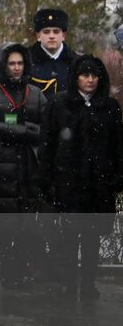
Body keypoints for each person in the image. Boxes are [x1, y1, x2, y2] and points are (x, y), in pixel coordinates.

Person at [40, 55, 122, 300]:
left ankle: (88, 283)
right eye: (85, 75)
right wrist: (47, 179)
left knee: (92, 237)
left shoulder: (109, 106)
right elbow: (48, 144)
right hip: (68, 182)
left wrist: (117, 177)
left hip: (98, 184)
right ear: (76, 78)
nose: (90, 80)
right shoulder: (59, 104)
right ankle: (68, 283)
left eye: (94, 75)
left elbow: (117, 146)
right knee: (68, 237)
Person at [0, 42, 48, 291]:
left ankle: (24, 272)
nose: (16, 68)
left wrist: (29, 133)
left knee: (27, 226)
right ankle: (9, 274)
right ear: (3, 65)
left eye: (20, 63)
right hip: (1, 167)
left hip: (29, 166)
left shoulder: (36, 93)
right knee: (4, 227)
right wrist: (22, 131)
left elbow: (46, 126)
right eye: (11, 63)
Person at [28, 8, 76, 99]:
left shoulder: (76, 62)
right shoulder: (26, 60)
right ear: (38, 36)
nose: (51, 36)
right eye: (46, 32)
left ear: (63, 35)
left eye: (56, 31)